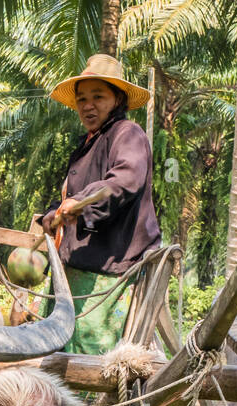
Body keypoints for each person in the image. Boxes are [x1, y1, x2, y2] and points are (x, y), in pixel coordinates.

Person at [42, 54, 161, 354]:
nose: (87, 105)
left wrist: (80, 204)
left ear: (118, 99)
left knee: (92, 363)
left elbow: (125, 180)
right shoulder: (87, 146)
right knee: (53, 353)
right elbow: (73, 198)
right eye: (82, 99)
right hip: (75, 271)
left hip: (108, 277)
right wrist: (54, 214)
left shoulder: (128, 134)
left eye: (98, 96)